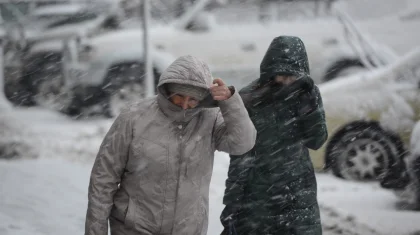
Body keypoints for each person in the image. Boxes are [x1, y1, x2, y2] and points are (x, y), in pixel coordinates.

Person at [84, 55, 257, 235]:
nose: (184, 105)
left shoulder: (210, 118)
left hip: (188, 229)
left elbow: (243, 143)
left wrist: (231, 103)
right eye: (179, 96)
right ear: (167, 90)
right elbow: (103, 178)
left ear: (203, 98)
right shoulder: (134, 116)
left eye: (192, 99)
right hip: (134, 227)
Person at [220, 36, 328, 235]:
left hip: (298, 195)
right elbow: (240, 157)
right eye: (281, 74)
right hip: (257, 198)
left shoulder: (307, 93)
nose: (287, 81)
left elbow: (316, 140)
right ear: (270, 70)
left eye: (292, 75)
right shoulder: (250, 97)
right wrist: (231, 205)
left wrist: (310, 109)